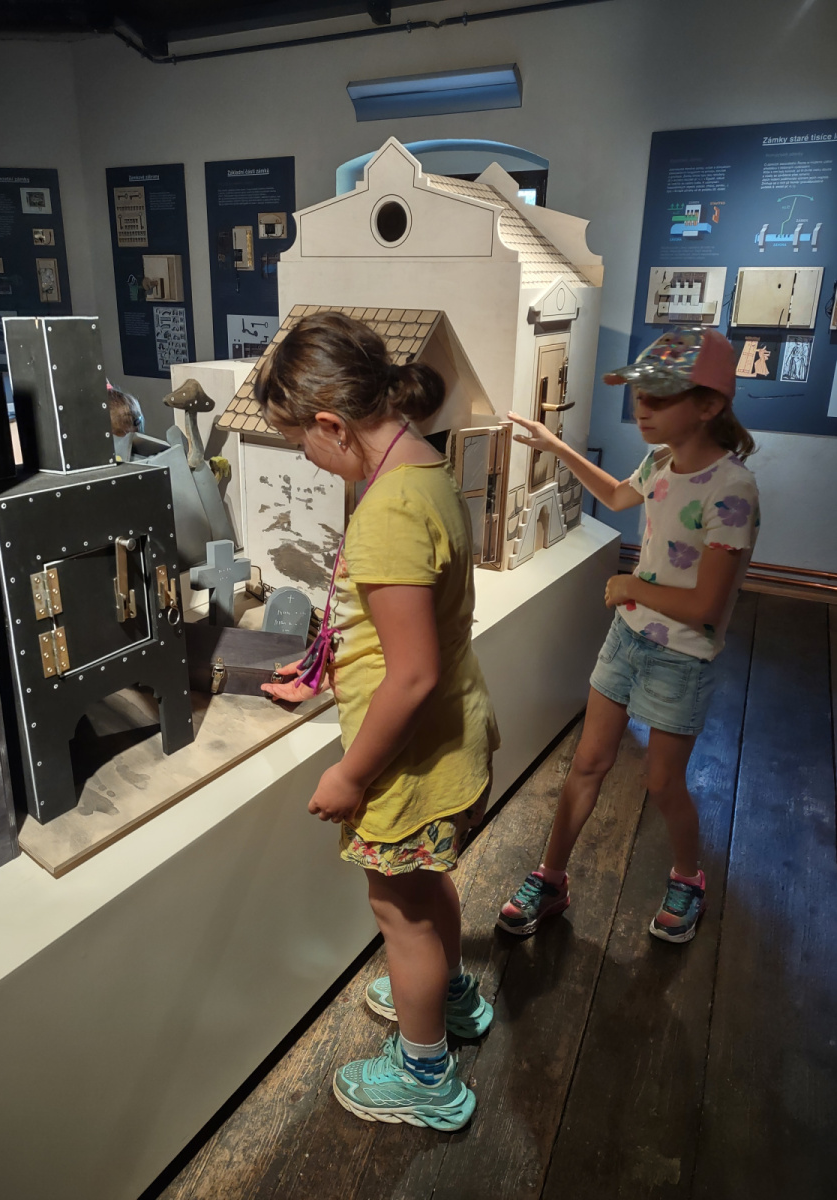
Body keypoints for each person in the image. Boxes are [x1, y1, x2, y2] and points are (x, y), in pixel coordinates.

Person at [254, 312, 499, 1131]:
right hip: (452, 738)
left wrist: (350, 773)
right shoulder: (424, 467)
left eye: (301, 443)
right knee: (428, 891)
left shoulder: (387, 509)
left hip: (406, 763)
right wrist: (329, 664)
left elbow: (413, 671)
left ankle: (425, 1076)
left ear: (332, 424)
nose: (306, 458)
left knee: (401, 916)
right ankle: (450, 996)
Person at [497, 327, 759, 945]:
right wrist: (556, 446)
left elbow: (706, 607)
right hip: (629, 636)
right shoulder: (661, 460)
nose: (642, 407)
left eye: (660, 396)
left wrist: (629, 587)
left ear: (709, 405)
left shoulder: (732, 490)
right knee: (587, 762)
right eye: (640, 393)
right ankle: (551, 877)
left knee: (663, 782)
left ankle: (688, 877)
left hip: (682, 654)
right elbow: (617, 496)